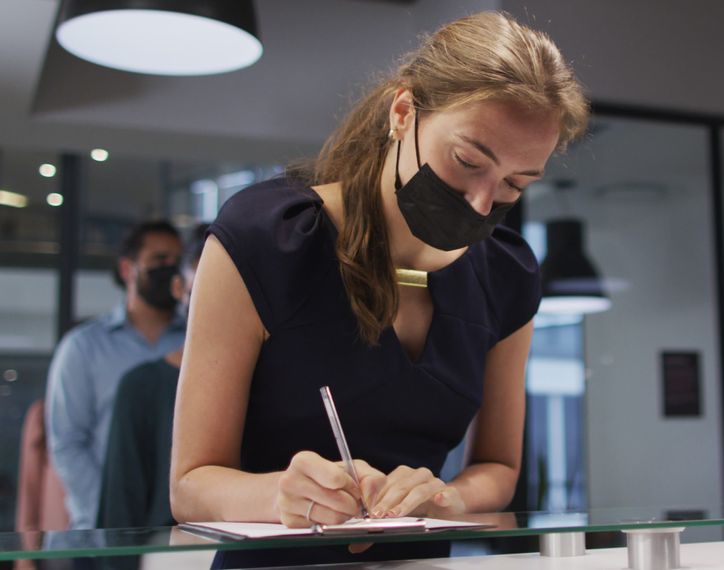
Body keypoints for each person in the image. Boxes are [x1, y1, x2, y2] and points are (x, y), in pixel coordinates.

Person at [169, 11, 587, 568]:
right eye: (467, 162)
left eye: (515, 183)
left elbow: (500, 469)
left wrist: (446, 496)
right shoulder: (268, 241)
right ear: (403, 112)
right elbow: (190, 485)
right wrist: (281, 495)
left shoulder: (507, 276)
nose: (482, 204)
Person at [46, 220, 187, 529]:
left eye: (176, 261)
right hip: (104, 529)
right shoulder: (84, 347)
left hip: (177, 527)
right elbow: (68, 442)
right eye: (159, 260)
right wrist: (113, 513)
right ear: (127, 269)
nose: (170, 269)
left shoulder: (193, 341)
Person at [97, 225, 207, 530]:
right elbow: (121, 504)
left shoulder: (272, 383)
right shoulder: (141, 385)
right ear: (180, 289)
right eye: (205, 287)